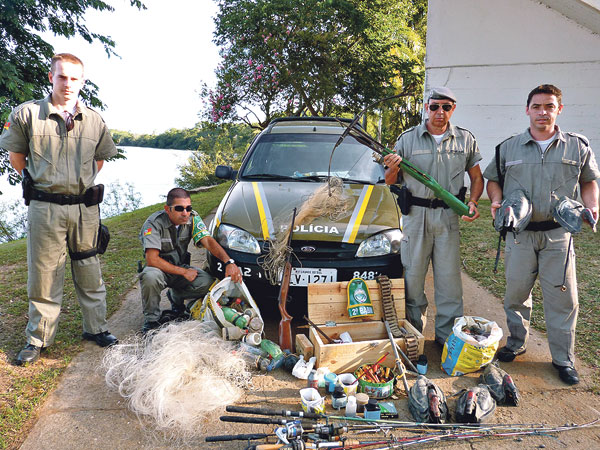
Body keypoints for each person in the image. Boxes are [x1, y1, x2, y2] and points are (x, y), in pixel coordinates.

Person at [0, 53, 119, 365]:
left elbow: (100, 159)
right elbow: (17, 156)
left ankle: (96, 329)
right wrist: (45, 183)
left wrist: (78, 183)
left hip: (85, 209)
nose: (68, 84)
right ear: (51, 77)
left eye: (74, 78)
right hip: (46, 208)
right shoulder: (27, 114)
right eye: (62, 76)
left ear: (82, 82)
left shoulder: (94, 119)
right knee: (44, 274)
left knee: (90, 269)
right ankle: (37, 340)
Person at [484, 84, 599, 385]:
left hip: (558, 234)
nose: (542, 112)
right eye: (537, 106)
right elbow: (493, 180)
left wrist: (593, 206)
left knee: (563, 298)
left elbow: (589, 181)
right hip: (520, 234)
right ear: (527, 110)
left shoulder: (578, 146)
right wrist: (496, 200)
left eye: (549, 106)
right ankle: (516, 342)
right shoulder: (508, 147)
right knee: (516, 293)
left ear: (559, 109)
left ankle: (563, 359)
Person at [383, 86, 484, 345]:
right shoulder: (407, 139)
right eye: (434, 106)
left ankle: (446, 339)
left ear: (453, 109)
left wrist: (472, 202)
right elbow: (390, 180)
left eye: (446, 107)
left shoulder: (465, 139)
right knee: (413, 279)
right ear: (426, 108)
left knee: (449, 282)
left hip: (448, 217)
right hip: (416, 216)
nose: (440, 112)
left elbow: (476, 177)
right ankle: (413, 335)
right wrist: (392, 168)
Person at [138, 187, 243, 332]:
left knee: (208, 283)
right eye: (180, 208)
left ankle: (175, 296)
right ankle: (152, 321)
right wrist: (183, 272)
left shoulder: (192, 218)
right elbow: (152, 260)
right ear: (167, 209)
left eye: (188, 208)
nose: (185, 213)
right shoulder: (153, 224)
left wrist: (229, 262)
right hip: (159, 270)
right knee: (150, 276)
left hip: (179, 269)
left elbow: (208, 241)